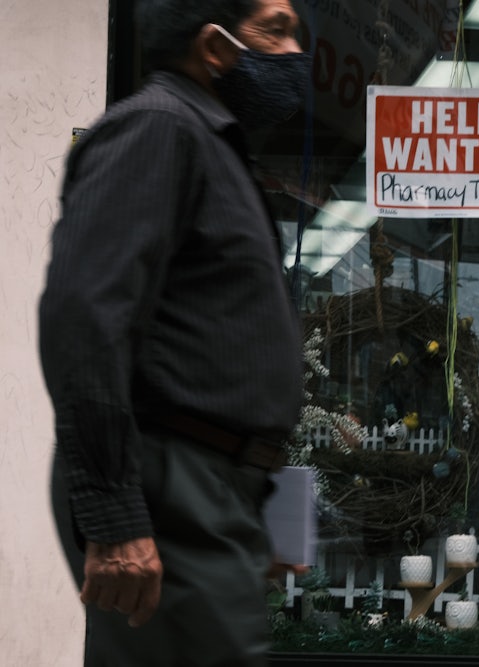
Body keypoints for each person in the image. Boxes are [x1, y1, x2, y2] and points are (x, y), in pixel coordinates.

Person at [38, 1, 310, 664]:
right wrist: (114, 518)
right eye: (274, 29)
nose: (294, 51)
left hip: (206, 494)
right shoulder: (158, 130)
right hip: (167, 488)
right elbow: (83, 317)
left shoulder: (211, 147)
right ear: (214, 47)